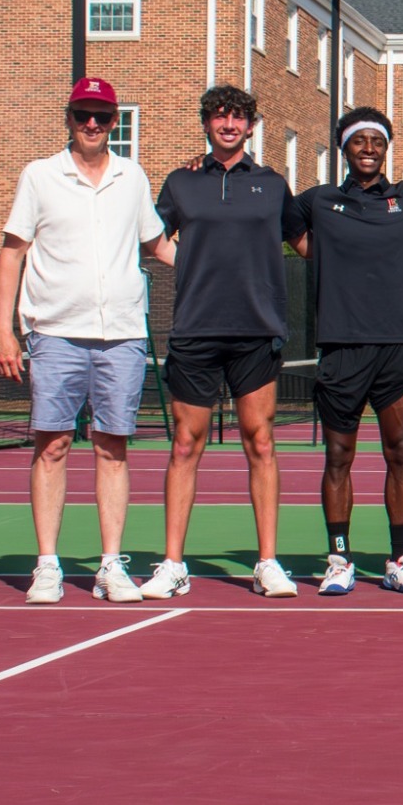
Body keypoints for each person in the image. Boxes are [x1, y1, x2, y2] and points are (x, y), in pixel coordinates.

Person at [0, 77, 172, 605]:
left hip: (122, 334)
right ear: (69, 118)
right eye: (82, 114)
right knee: (52, 445)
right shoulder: (39, 175)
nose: (91, 124)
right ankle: (47, 565)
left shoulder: (131, 176)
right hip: (54, 333)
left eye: (102, 115)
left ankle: (110, 566)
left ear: (114, 121)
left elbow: (159, 245)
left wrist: (225, 260)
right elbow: (12, 252)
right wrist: (3, 330)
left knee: (112, 447)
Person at [140, 85, 301, 599]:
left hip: (257, 331)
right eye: (219, 116)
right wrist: (188, 264)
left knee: (261, 442)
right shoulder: (182, 181)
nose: (229, 124)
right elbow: (151, 237)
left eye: (238, 117)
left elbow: (305, 240)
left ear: (251, 126)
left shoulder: (273, 185)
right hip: (196, 330)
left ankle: (268, 563)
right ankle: (172, 564)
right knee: (186, 444)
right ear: (206, 124)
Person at [288, 107, 403, 596]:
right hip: (342, 346)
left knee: (400, 453)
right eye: (358, 140)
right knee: (338, 456)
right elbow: (278, 224)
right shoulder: (318, 201)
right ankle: (339, 560)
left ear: (387, 147)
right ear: (343, 148)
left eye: (377, 140)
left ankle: (400, 560)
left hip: (397, 349)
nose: (369, 148)